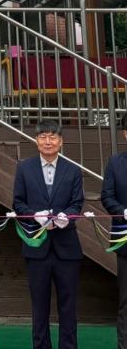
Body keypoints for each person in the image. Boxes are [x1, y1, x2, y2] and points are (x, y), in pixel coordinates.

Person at [13, 120, 83, 349]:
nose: (48, 141)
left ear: (61, 141)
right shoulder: (25, 168)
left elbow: (77, 204)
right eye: (43, 136)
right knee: (39, 306)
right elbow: (18, 203)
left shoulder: (73, 169)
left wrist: (66, 217)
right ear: (36, 141)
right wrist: (35, 216)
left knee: (68, 306)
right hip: (37, 247)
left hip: (67, 248)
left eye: (53, 137)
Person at [101, 112, 127, 349]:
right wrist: (123, 211)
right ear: (125, 134)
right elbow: (107, 196)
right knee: (125, 301)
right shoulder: (115, 163)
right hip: (125, 242)